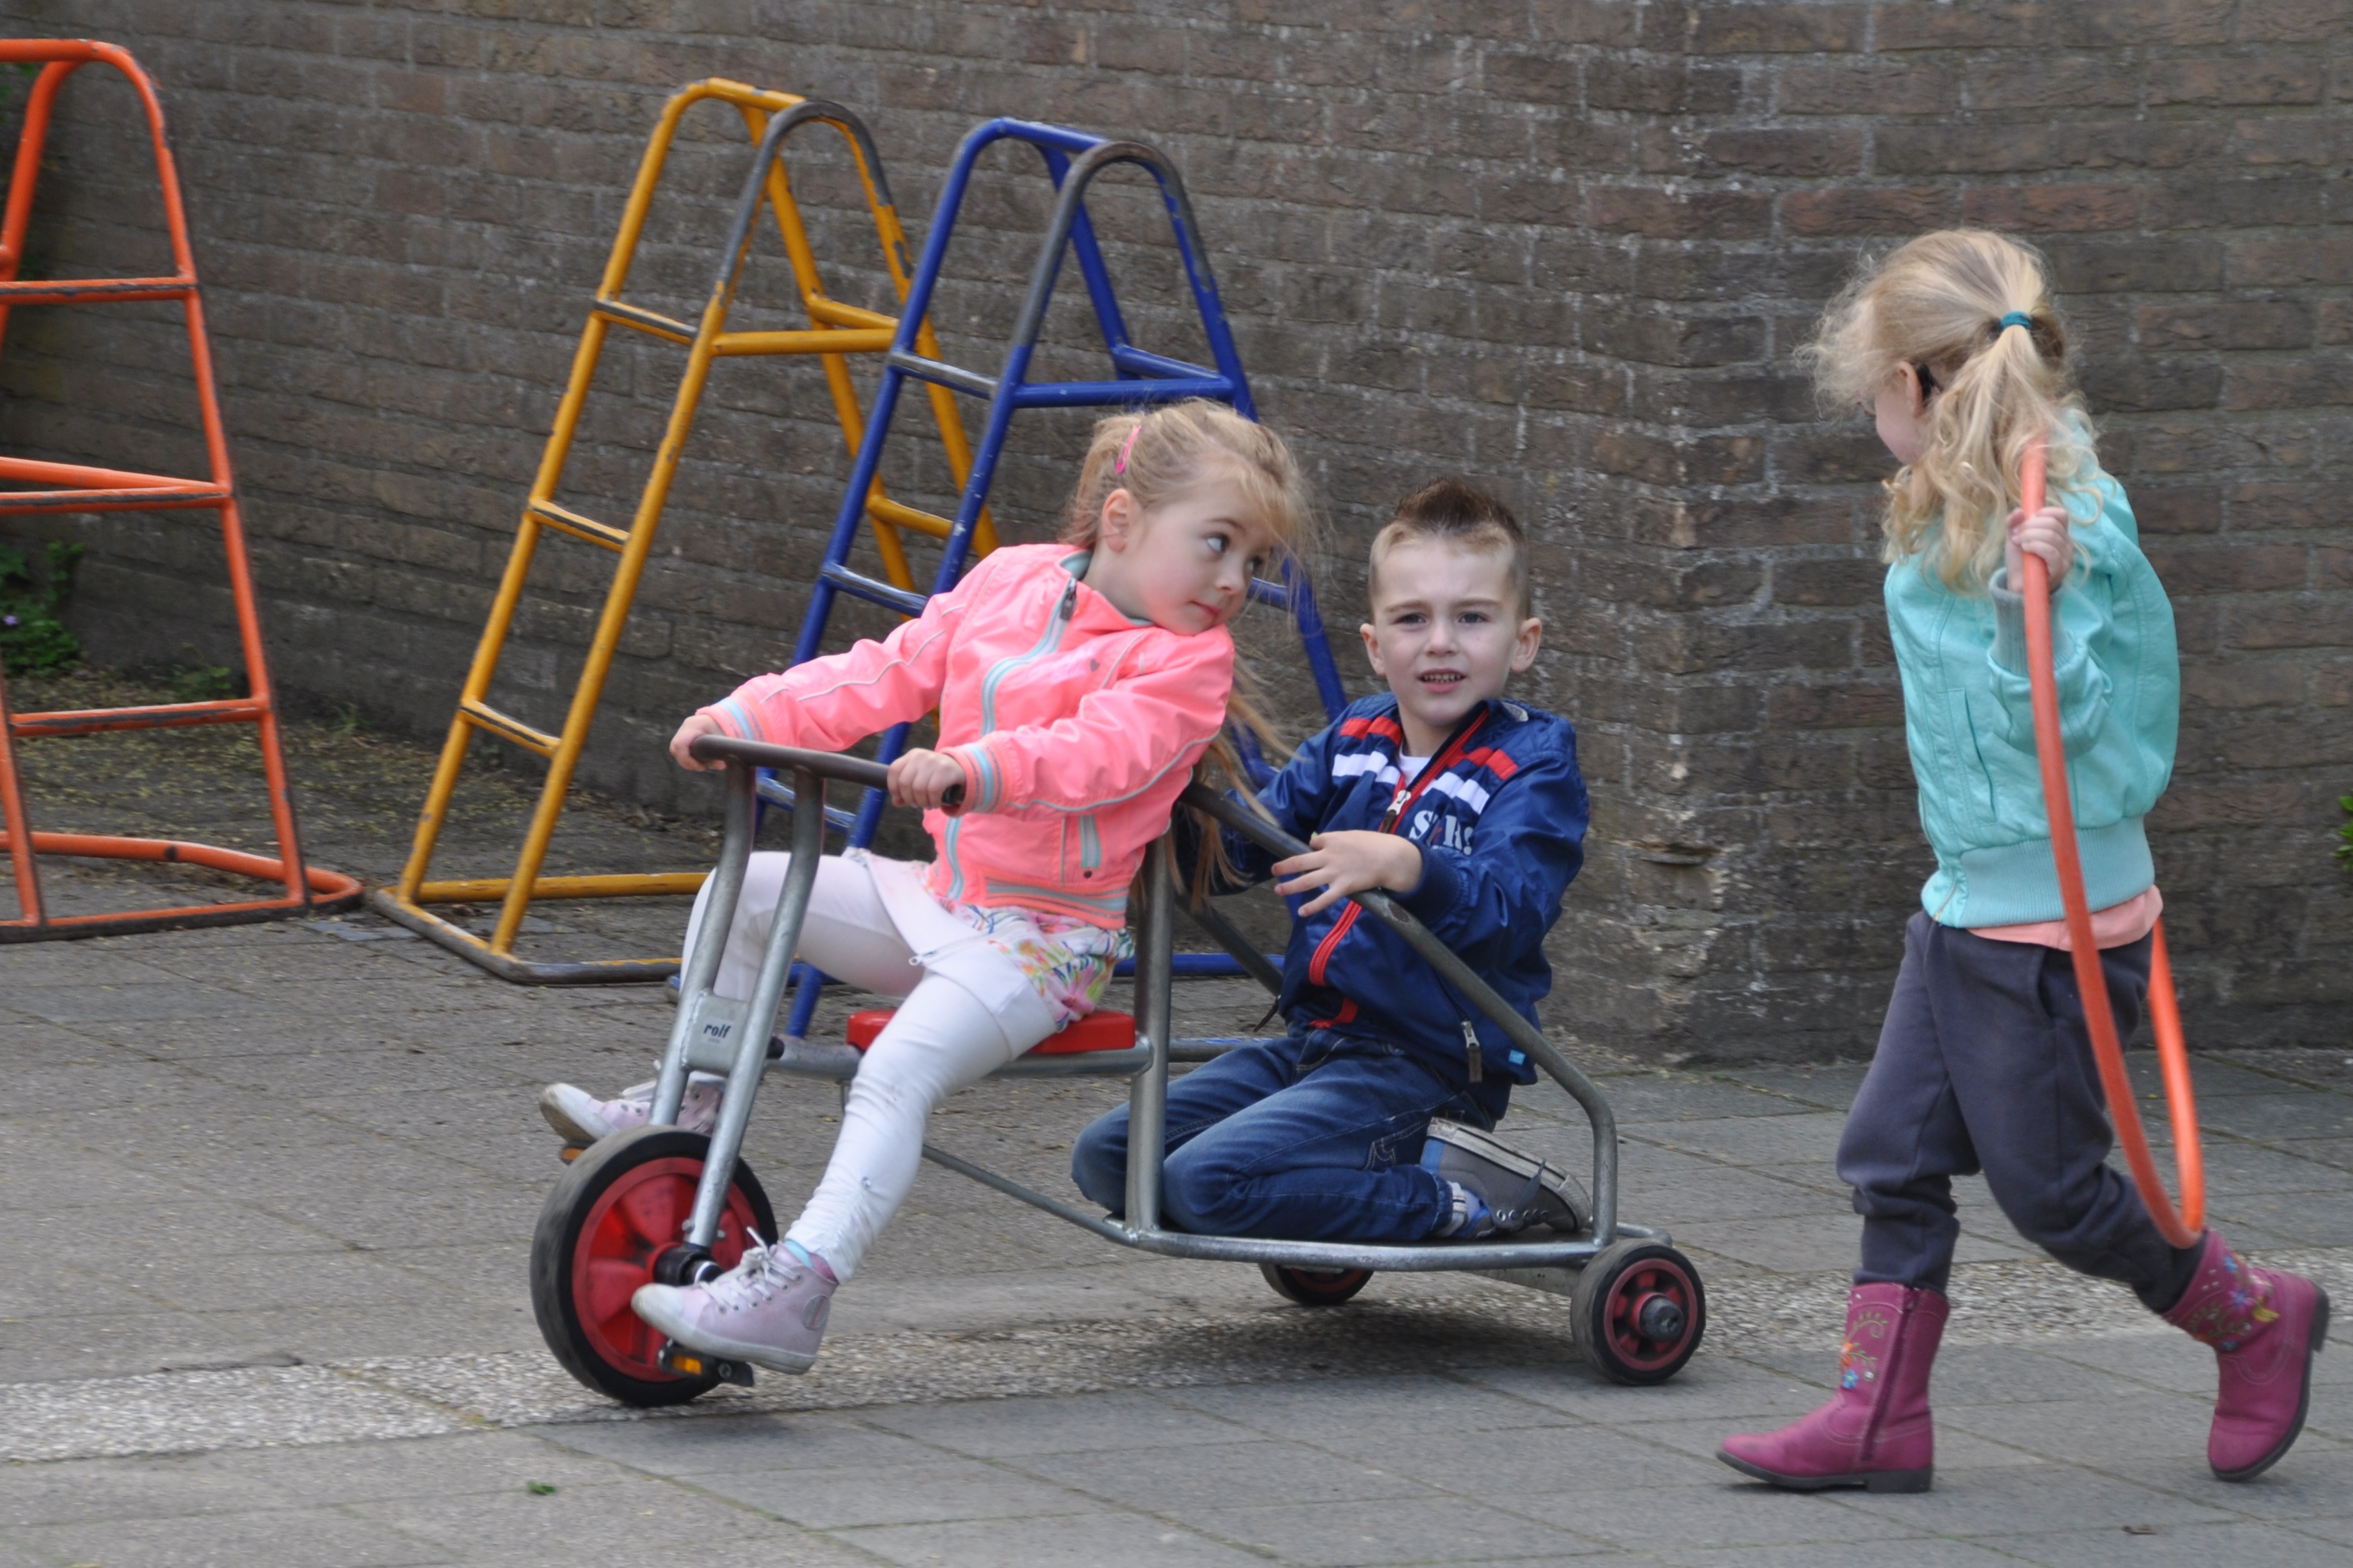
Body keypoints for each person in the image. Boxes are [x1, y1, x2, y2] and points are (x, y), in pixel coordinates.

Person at [1719, 231, 2328, 1493]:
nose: (1870, 411)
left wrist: (2022, 608)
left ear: (1921, 385)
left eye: (1877, 388)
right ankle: (1877, 1417)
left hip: (2056, 922)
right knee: (1890, 1150)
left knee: (2054, 1195)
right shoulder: (1945, 493)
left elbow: (2077, 727)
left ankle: (2253, 1316)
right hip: (1966, 902)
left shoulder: (2069, 520)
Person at [540, 399, 1314, 1374]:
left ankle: (797, 1287)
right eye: (1217, 543)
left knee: (894, 1069)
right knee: (741, 891)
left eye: (1252, 561)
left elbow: (1102, 754)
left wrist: (975, 766)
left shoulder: (1185, 663)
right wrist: (745, 712)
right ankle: (683, 1109)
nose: (1235, 580)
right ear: (1121, 521)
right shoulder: (1009, 581)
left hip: (1043, 941)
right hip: (941, 899)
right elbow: (886, 672)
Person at [1070, 478, 1592, 1244]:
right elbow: (1245, 846)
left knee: (1202, 1183)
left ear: (1523, 641)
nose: (1439, 641)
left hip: (1428, 1069)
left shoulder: (1532, 764)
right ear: (1376, 645)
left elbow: (1510, 908)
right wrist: (1164, 795)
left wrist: (1409, 865)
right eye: (1411, 619)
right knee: (1109, 1158)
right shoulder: (1357, 739)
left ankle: (1469, 1199)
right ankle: (1332, 1185)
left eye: (1471, 618)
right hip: (1316, 1045)